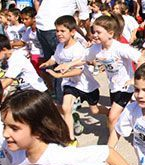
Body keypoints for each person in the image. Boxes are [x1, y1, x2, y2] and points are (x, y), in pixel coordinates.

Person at [1, 90, 129, 165]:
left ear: (39, 129)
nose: (5, 134)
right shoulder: (17, 152)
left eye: (14, 128)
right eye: (4, 126)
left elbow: (107, 153)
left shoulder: (60, 157)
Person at [39, 15, 104, 143]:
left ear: (73, 32)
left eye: (62, 31)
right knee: (65, 107)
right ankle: (70, 139)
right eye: (57, 31)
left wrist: (59, 75)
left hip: (86, 85)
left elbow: (78, 70)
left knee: (94, 110)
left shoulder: (78, 48)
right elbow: (55, 58)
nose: (59, 34)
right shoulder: (60, 47)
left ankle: (109, 113)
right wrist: (47, 63)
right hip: (70, 84)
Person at [86, 15, 144, 147]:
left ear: (110, 34)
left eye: (98, 32)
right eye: (93, 31)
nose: (95, 35)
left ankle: (111, 149)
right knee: (129, 111)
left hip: (126, 86)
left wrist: (135, 78)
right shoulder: (96, 48)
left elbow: (141, 58)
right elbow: (85, 58)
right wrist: (69, 64)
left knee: (112, 117)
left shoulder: (120, 47)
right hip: (114, 86)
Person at [36, 0, 90, 103]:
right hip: (55, 29)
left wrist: (82, 34)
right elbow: (84, 17)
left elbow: (69, 21)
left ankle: (55, 96)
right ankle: (63, 102)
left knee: (52, 64)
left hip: (42, 27)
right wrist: (88, 34)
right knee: (63, 67)